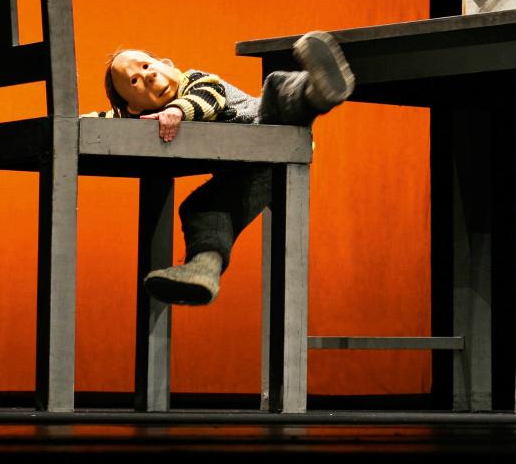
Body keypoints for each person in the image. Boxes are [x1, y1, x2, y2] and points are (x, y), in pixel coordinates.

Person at [85, 31, 354, 305]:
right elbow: (107, 120)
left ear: (168, 65)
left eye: (146, 66)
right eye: (134, 81)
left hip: (271, 128)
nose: (148, 76)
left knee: (276, 87)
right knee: (202, 207)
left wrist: (178, 111)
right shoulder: (147, 118)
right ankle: (202, 270)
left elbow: (208, 99)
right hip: (255, 172)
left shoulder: (196, 81)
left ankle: (316, 90)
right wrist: (76, 123)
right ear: (132, 107)